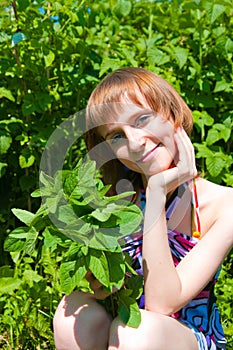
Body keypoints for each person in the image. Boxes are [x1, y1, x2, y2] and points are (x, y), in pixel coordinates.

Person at [53, 67, 233, 350]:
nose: (135, 142)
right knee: (74, 311)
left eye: (142, 119)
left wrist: (158, 192)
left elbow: (161, 304)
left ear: (172, 112)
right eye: (116, 136)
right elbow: (106, 292)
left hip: (187, 339)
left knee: (137, 332)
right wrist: (100, 282)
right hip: (126, 333)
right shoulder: (120, 201)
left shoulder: (224, 205)